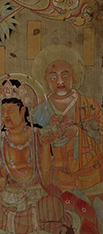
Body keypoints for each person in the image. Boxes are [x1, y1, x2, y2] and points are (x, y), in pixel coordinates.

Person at [0, 80, 69, 234]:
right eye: (3, 111)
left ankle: (19, 225)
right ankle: (24, 225)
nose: (6, 115)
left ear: (22, 111)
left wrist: (45, 145)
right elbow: (3, 178)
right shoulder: (0, 141)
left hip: (35, 194)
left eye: (10, 110)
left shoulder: (37, 135)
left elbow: (45, 174)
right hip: (10, 195)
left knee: (53, 205)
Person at [32, 46, 103, 193]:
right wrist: (46, 129)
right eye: (53, 77)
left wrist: (77, 130)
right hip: (55, 176)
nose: (60, 82)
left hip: (89, 175)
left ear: (74, 79)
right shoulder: (40, 110)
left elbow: (100, 128)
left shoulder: (89, 105)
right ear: (46, 81)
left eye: (65, 76)